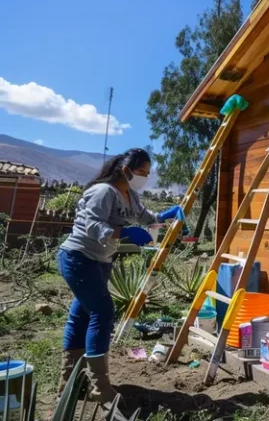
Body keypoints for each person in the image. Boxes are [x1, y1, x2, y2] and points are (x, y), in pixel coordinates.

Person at [56, 148, 183, 405]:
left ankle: (69, 383)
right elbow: (91, 225)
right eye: (140, 172)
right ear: (125, 170)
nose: (144, 177)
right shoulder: (104, 192)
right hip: (79, 258)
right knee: (102, 312)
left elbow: (147, 217)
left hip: (100, 261)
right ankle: (99, 387)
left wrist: (167, 215)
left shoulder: (129, 195)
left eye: (147, 173)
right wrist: (122, 234)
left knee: (81, 316)